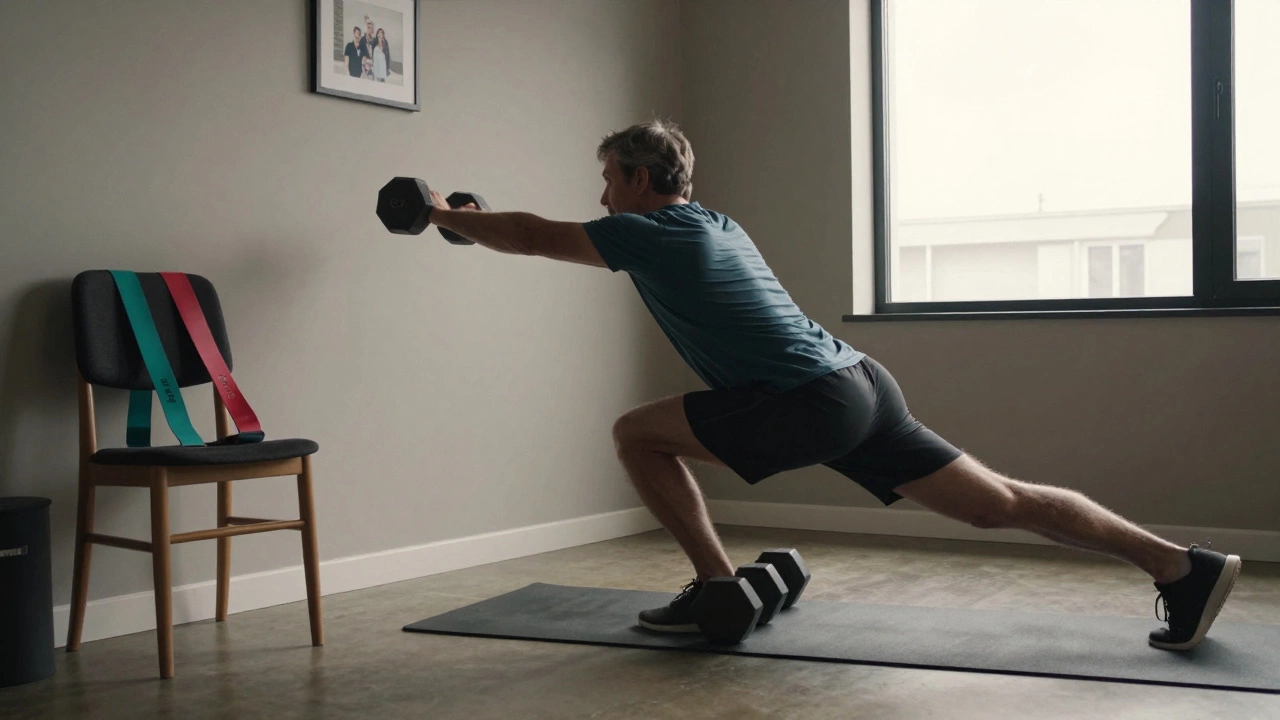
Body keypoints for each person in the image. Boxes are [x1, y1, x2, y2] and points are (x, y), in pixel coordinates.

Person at [419, 119, 1242, 652]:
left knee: (635, 434)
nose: (600, 197)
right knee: (1001, 503)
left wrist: (440, 214)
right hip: (860, 384)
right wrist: (466, 219)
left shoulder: (653, 232)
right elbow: (529, 231)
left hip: (812, 399)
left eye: (607, 179)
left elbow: (531, 235)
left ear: (638, 180)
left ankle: (716, 589)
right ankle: (1179, 566)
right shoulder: (714, 223)